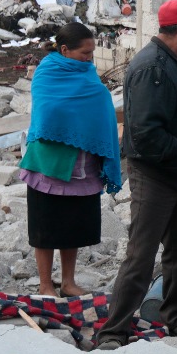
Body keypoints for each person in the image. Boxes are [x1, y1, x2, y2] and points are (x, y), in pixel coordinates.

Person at [96, 0, 177, 350]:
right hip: (158, 176)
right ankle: (113, 332)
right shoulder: (152, 67)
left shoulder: (171, 64)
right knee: (142, 253)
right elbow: (147, 133)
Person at [19, 23, 121, 298]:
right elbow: (48, 111)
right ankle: (44, 284)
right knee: (45, 226)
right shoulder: (47, 73)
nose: (90, 59)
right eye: (85, 53)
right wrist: (74, 118)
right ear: (64, 50)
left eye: (92, 53)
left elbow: (99, 106)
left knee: (72, 226)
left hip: (83, 162)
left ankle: (68, 282)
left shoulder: (87, 73)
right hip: (49, 164)